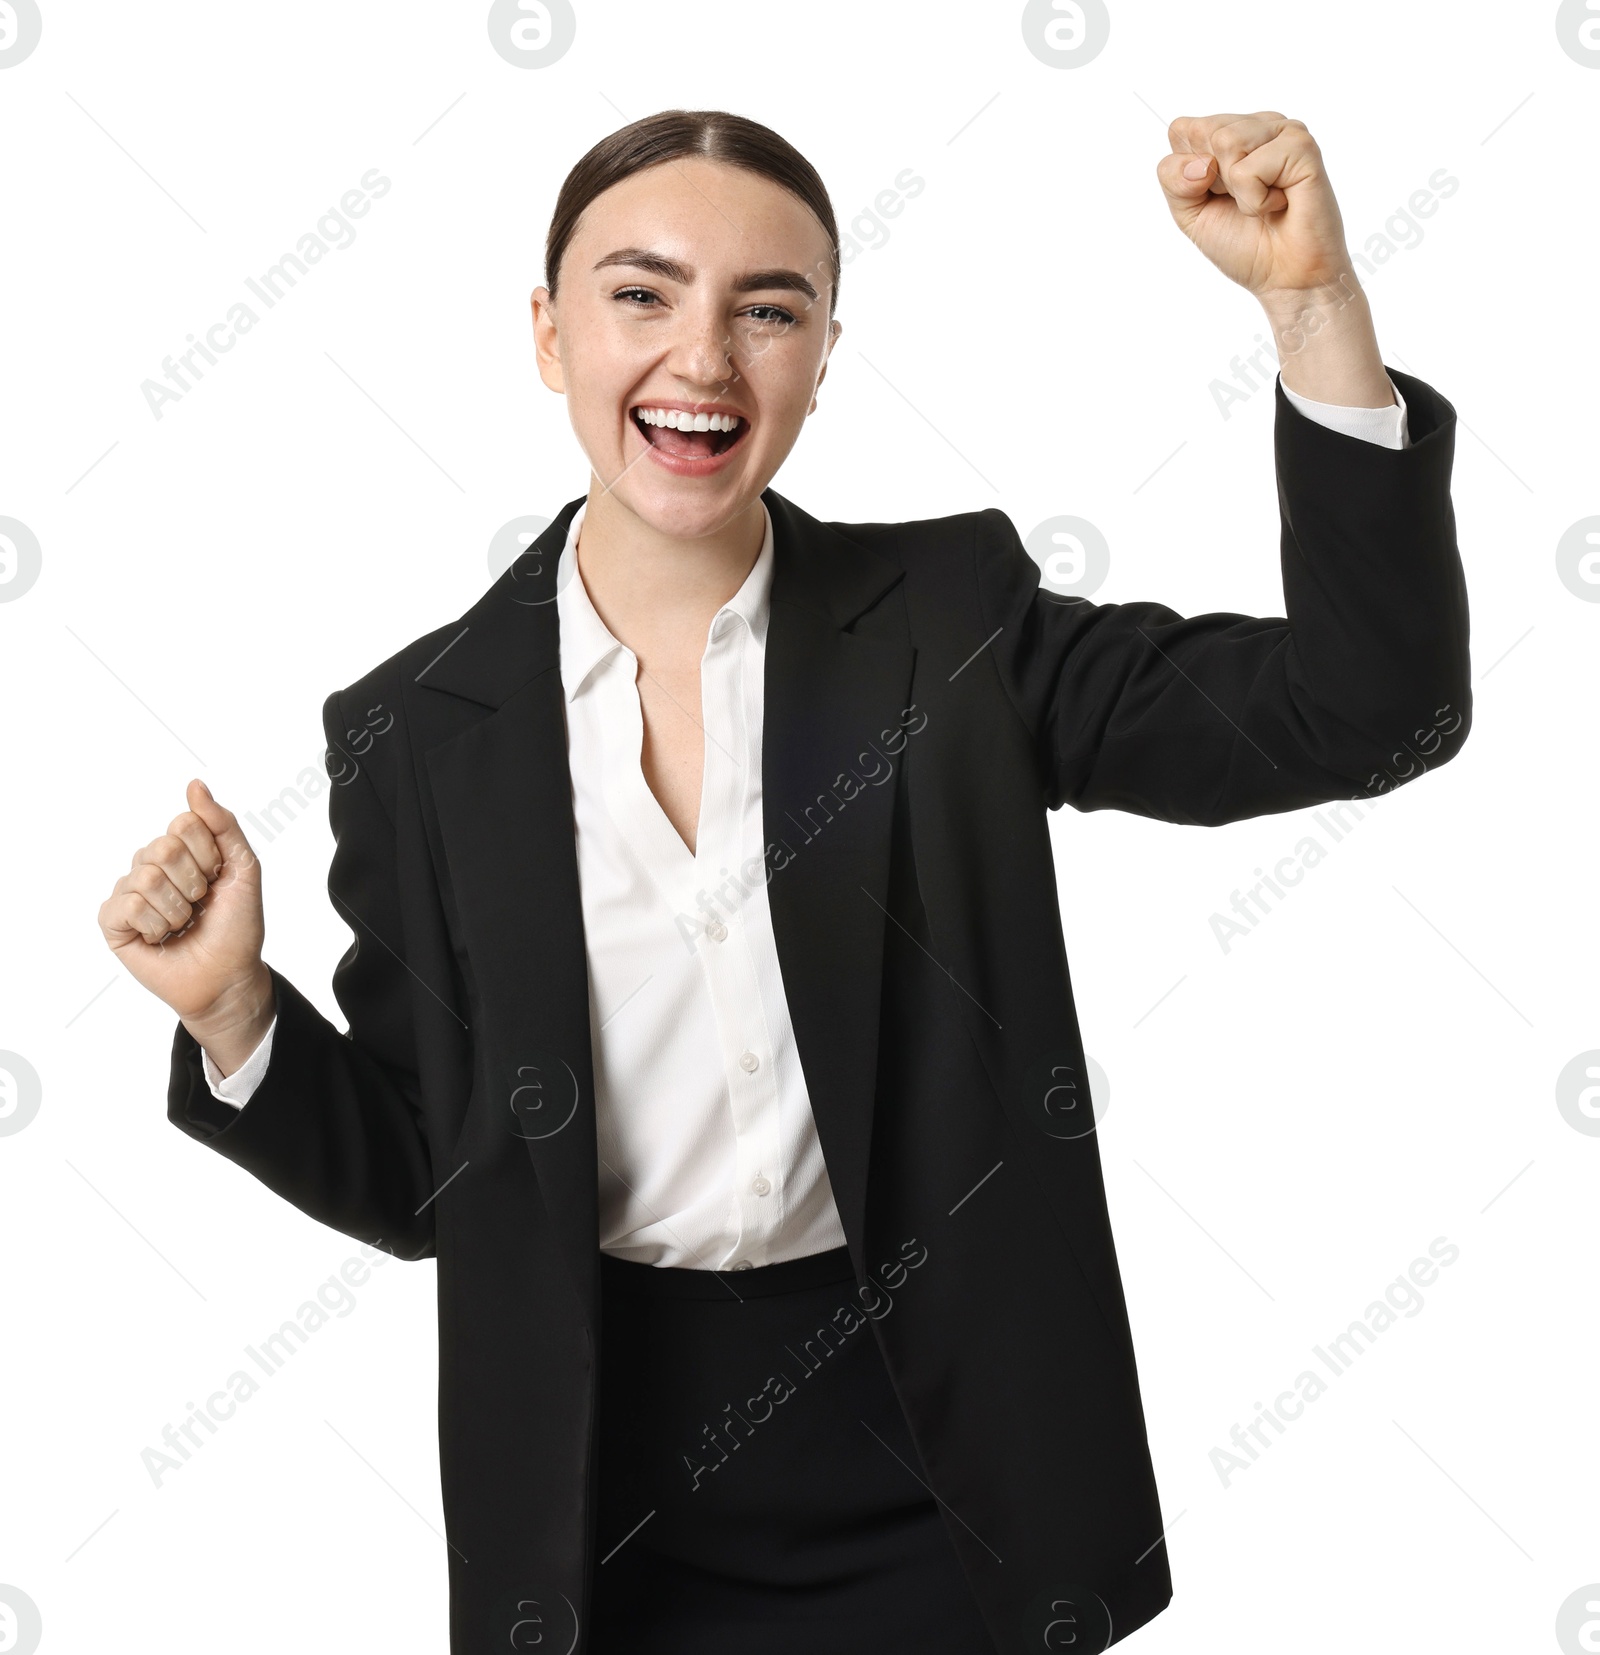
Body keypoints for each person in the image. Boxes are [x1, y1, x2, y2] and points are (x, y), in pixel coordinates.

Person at [99, 108, 1470, 1653]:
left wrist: (1312, 307)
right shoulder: (413, 736)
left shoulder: (953, 625)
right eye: (640, 295)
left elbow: (1369, 715)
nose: (704, 357)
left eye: (769, 309)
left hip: (950, 1460)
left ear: (824, 355)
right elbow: (437, 1188)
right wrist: (233, 1014)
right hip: (599, 1488)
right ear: (548, 337)